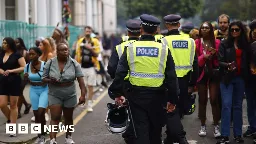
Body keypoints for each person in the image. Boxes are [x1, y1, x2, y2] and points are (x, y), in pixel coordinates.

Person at [109, 14, 178, 144]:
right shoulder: (164, 49)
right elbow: (171, 77)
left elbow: (120, 73)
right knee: (156, 132)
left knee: (141, 131)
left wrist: (117, 93)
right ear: (157, 30)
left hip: (136, 97)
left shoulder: (130, 48)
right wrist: (173, 99)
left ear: (141, 29)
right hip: (158, 97)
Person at [161, 14, 198, 144]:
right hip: (185, 81)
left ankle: (181, 138)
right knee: (178, 110)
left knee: (171, 110)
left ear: (167, 25)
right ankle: (170, 138)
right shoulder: (190, 41)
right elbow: (195, 64)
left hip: (169, 81)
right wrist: (192, 84)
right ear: (179, 25)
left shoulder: (163, 41)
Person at [42, 43, 86, 144]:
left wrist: (83, 95)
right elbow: (43, 78)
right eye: (63, 50)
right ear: (57, 52)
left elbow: (81, 82)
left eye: (67, 50)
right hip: (54, 94)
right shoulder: (50, 63)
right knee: (55, 117)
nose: (66, 51)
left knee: (68, 118)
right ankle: (53, 140)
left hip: (70, 94)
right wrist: (50, 80)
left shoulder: (74, 64)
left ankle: (68, 137)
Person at [108, 19, 141, 143]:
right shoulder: (145, 46)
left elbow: (111, 67)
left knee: (127, 109)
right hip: (143, 84)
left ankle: (129, 134)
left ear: (127, 32)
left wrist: (116, 80)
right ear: (140, 32)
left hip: (124, 85)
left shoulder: (120, 47)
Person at [216, 21, 250, 144]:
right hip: (227, 78)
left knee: (238, 106)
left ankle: (238, 135)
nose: (234, 32)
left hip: (240, 78)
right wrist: (227, 65)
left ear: (241, 30)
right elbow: (219, 61)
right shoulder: (224, 43)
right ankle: (224, 135)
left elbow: (249, 60)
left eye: (237, 30)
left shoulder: (245, 44)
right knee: (226, 105)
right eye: (232, 30)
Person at [195, 22, 221, 138]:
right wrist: (203, 57)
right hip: (201, 74)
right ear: (200, 30)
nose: (205, 30)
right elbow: (195, 61)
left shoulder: (217, 43)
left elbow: (220, 60)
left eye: (207, 28)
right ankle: (203, 125)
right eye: (203, 28)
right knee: (202, 100)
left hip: (213, 73)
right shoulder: (196, 43)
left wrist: (215, 55)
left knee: (214, 100)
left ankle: (216, 125)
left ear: (211, 30)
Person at [0, 37, 26, 137]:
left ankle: (12, 127)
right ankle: (11, 121)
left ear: (10, 44)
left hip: (14, 80)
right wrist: (2, 71)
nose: (3, 44)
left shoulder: (17, 54)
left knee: (13, 105)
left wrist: (11, 71)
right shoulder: (1, 54)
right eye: (3, 43)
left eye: (5, 43)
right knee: (2, 104)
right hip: (3, 81)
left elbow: (24, 67)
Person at [24, 47, 48, 143]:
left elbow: (50, 79)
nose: (30, 56)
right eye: (29, 54)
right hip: (33, 90)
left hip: (44, 90)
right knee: (36, 115)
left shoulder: (44, 65)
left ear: (38, 55)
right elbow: (25, 82)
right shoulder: (27, 66)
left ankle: (43, 134)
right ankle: (40, 136)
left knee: (41, 112)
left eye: (33, 54)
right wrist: (25, 78)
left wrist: (45, 80)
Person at [75, 26, 100, 112]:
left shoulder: (95, 41)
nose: (88, 32)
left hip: (91, 67)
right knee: (83, 87)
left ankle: (89, 104)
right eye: (86, 31)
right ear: (84, 32)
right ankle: (84, 101)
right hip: (82, 67)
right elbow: (77, 54)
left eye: (89, 31)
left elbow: (97, 54)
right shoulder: (80, 41)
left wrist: (90, 48)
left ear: (91, 32)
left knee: (90, 86)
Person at [243, 20, 256, 142]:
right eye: (253, 30)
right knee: (250, 105)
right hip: (249, 80)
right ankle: (252, 127)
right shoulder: (248, 45)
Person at [15, 38, 31, 119]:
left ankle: (18, 112)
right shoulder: (13, 52)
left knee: (19, 92)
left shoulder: (25, 53)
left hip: (23, 76)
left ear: (21, 43)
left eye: (17, 42)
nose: (16, 44)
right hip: (15, 75)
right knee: (19, 92)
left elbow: (29, 65)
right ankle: (27, 105)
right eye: (15, 42)